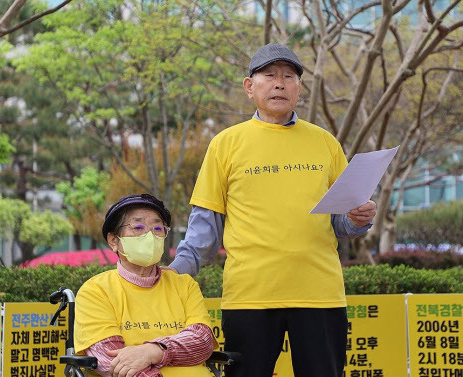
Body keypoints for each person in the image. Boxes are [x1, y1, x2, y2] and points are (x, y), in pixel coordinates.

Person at [168, 43, 378, 377]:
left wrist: (357, 219)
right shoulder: (225, 143)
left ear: (299, 89)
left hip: (320, 295)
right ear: (249, 87)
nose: (279, 83)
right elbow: (205, 226)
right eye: (269, 75)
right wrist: (174, 273)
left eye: (289, 76)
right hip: (249, 296)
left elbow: (341, 222)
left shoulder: (325, 143)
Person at [74, 194, 215, 377]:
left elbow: (202, 341)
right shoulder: (96, 290)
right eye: (138, 227)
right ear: (114, 241)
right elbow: (110, 359)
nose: (150, 235)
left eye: (158, 228)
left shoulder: (184, 284)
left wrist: (154, 351)